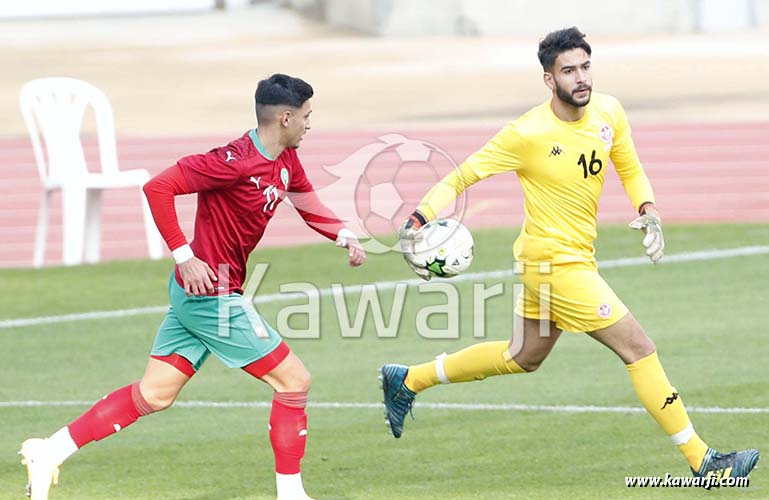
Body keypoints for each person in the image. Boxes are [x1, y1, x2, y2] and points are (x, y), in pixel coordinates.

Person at [381, 27, 758, 480]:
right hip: (556, 264)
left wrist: (648, 209)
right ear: (548, 79)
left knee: (524, 356)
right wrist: (418, 219)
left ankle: (408, 380)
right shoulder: (528, 132)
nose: (581, 78)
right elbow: (461, 176)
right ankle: (703, 460)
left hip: (563, 260)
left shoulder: (608, 112)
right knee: (639, 348)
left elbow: (629, 165)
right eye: (568, 70)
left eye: (585, 67)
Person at [20, 73, 366, 500]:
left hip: (205, 293)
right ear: (286, 117)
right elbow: (158, 187)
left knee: (154, 394)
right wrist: (184, 255)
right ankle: (291, 495)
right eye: (308, 116)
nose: (311, 124)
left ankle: (49, 450)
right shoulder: (232, 161)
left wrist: (343, 234)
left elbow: (307, 200)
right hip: (210, 295)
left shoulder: (284, 159)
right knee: (294, 381)